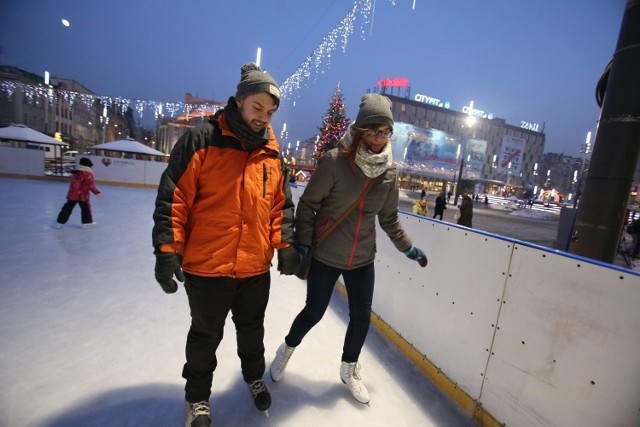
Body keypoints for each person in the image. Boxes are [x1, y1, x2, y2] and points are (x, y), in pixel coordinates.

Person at [151, 63, 299, 427]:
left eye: (269, 112)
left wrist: (286, 245)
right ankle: (197, 398)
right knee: (205, 336)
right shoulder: (203, 140)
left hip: (253, 268)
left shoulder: (272, 154)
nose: (262, 118)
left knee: (253, 331)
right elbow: (174, 197)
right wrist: (167, 251)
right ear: (239, 101)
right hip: (207, 266)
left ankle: (253, 377)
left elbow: (280, 206)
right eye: (256, 109)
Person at [269, 93, 427, 405]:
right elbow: (308, 206)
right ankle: (286, 349)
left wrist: (408, 249)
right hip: (327, 255)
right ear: (361, 130)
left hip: (362, 258)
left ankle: (349, 369)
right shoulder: (335, 162)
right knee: (313, 313)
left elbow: (389, 218)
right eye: (375, 131)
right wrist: (302, 244)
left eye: (386, 132)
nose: (381, 139)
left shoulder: (389, 172)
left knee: (361, 318)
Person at [56, 157, 103, 229]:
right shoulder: (87, 174)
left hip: (72, 194)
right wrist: (97, 192)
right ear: (88, 166)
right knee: (85, 208)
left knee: (67, 208)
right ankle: (87, 223)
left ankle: (60, 222)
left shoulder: (76, 173)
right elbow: (90, 185)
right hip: (82, 195)